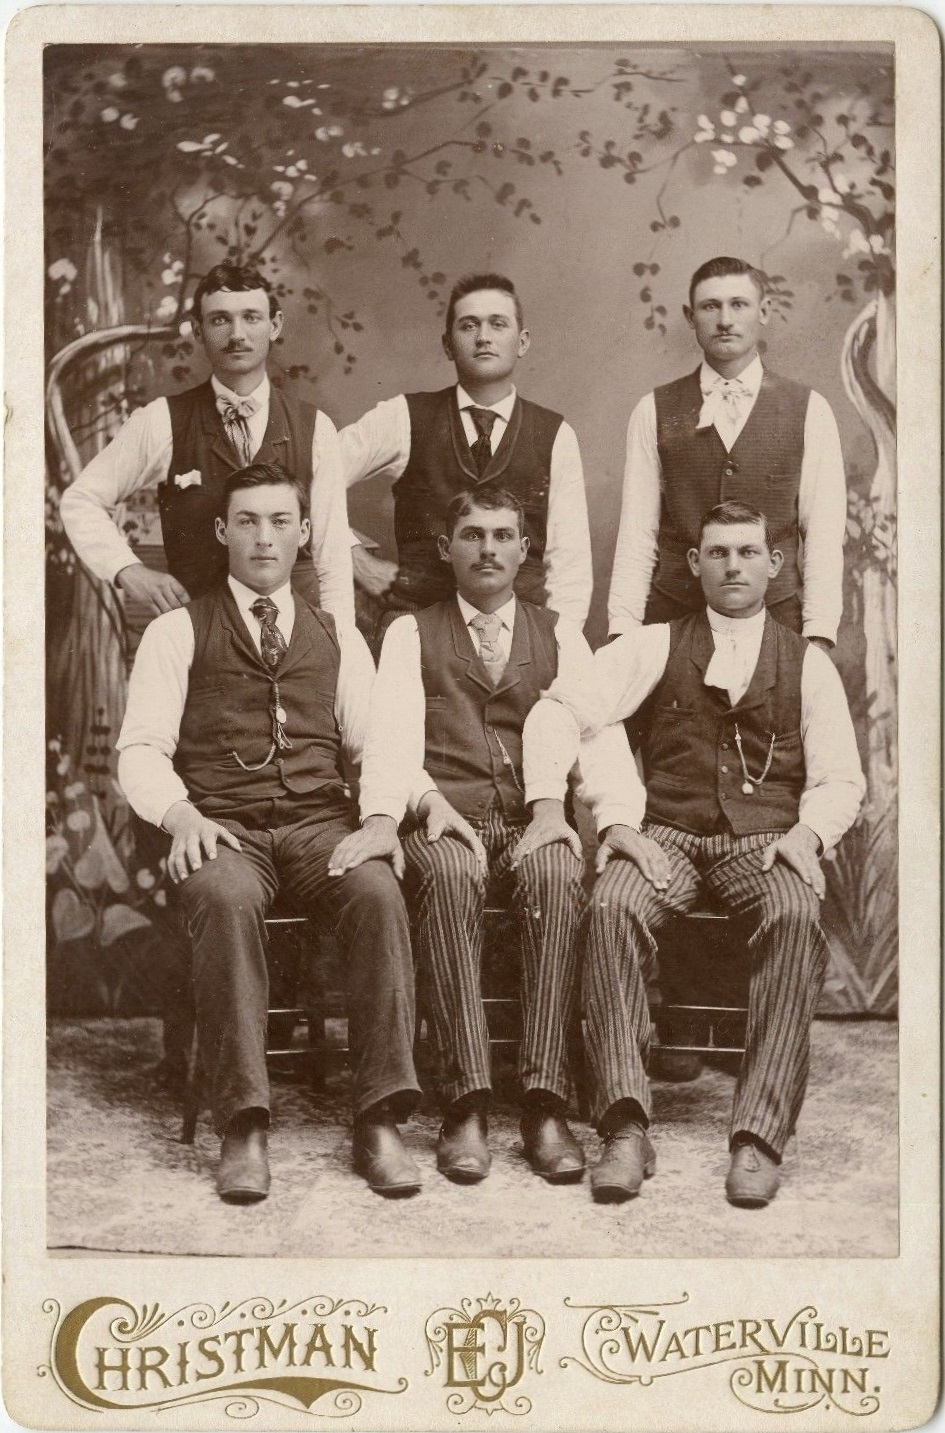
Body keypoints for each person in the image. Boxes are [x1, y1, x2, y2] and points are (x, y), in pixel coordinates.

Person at [528, 501, 865, 1206]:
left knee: (795, 913)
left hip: (763, 843)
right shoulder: (654, 645)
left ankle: (759, 1136)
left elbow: (841, 778)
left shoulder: (807, 663)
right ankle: (623, 1127)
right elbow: (560, 709)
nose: (733, 566)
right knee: (612, 905)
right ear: (694, 563)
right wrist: (609, 821)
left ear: (774, 564)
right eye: (718, 553)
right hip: (668, 839)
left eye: (747, 552)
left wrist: (806, 835)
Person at [116, 461, 421, 1203]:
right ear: (222, 532)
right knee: (224, 899)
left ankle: (379, 1117)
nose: (263, 538)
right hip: (223, 827)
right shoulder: (175, 631)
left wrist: (381, 818)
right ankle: (243, 1124)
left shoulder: (336, 633)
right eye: (247, 521)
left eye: (280, 521)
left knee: (377, 892)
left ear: (304, 533)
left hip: (318, 824)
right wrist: (182, 815)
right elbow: (140, 749)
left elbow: (376, 741)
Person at [329, 487, 638, 1186]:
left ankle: (544, 1103)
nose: (488, 549)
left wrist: (614, 817)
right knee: (446, 872)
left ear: (525, 550)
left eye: (502, 536)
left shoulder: (559, 634)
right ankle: (463, 1102)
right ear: (446, 548)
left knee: (557, 874)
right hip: (446, 815)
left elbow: (597, 735)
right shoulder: (410, 632)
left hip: (534, 817)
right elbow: (390, 741)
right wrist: (419, 803)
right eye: (472, 535)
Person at [61, 262, 354, 624]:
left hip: (296, 633)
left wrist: (339, 642)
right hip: (199, 633)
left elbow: (333, 556)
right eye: (220, 320)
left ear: (274, 325)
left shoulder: (315, 428)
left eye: (251, 317)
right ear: (198, 330)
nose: (237, 335)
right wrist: (127, 569)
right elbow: (80, 501)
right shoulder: (162, 420)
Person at [339, 272, 593, 647]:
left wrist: (557, 645)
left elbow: (570, 565)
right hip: (416, 631)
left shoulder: (554, 434)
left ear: (522, 342)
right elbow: (308, 476)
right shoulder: (404, 417)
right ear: (448, 344)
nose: (483, 337)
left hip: (520, 636)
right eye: (469, 325)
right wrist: (355, 559)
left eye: (498, 324)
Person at [608, 255, 847, 651]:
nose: (724, 320)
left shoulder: (809, 409)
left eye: (738, 304)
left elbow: (822, 536)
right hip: (674, 624)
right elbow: (637, 535)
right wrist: (622, 630)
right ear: (690, 317)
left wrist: (818, 633)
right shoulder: (653, 409)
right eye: (710, 306)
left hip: (778, 626)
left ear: (763, 311)